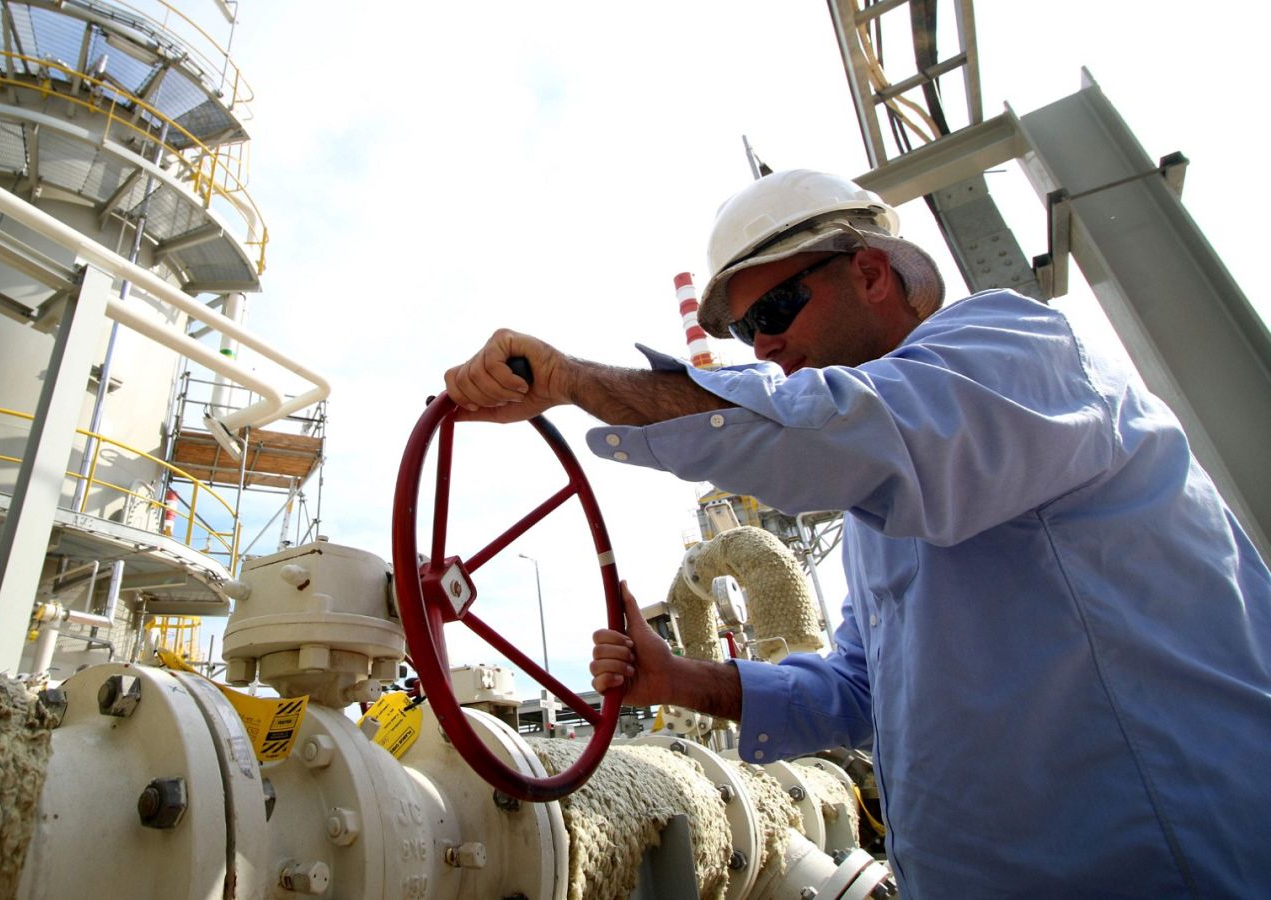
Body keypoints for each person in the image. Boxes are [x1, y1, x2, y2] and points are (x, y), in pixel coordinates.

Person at [442, 169, 1271, 897]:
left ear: (871, 272)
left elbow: (840, 424)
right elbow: (857, 693)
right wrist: (677, 680)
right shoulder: (890, 501)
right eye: (742, 331)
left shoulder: (1016, 350)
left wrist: (576, 382)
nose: (764, 347)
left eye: (774, 308)